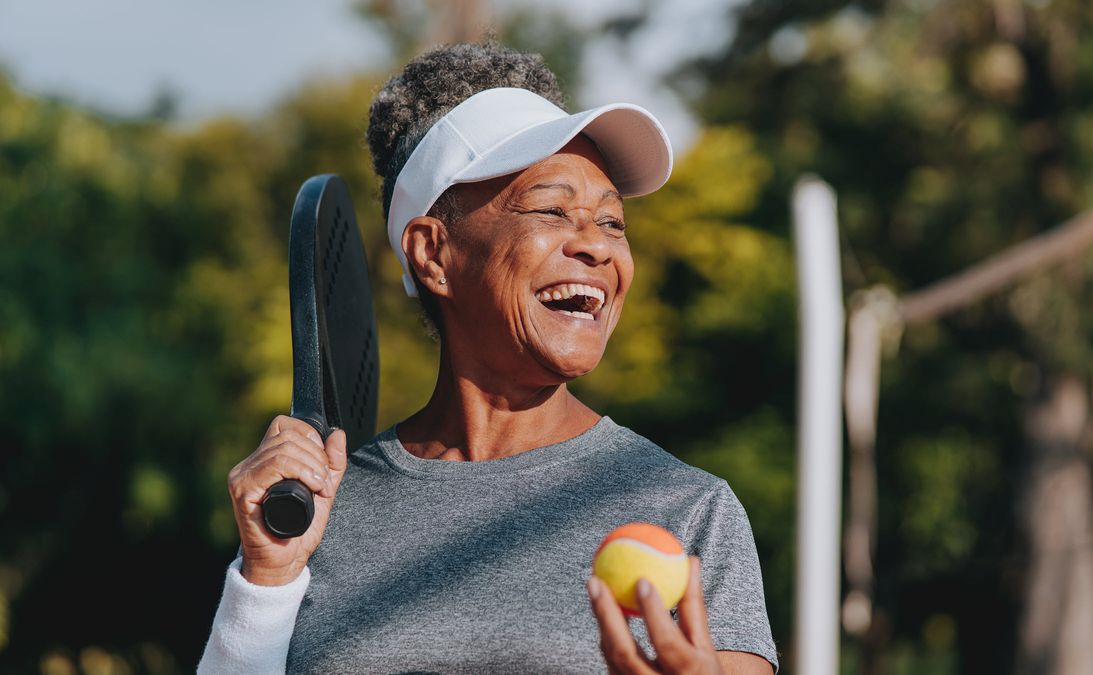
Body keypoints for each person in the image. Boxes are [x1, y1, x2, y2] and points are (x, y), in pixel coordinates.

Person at [199, 42, 777, 674]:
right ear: (433, 254)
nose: (596, 247)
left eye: (612, 223)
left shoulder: (686, 507)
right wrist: (264, 579)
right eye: (553, 210)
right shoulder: (314, 511)